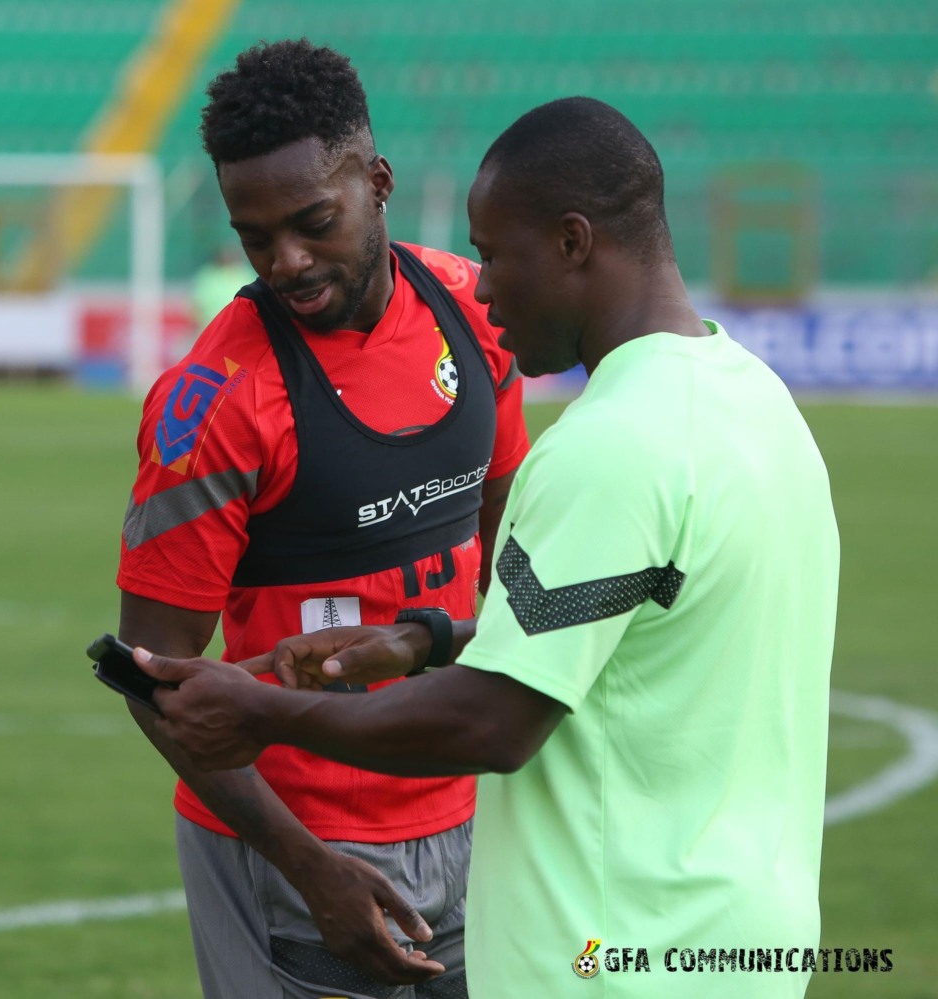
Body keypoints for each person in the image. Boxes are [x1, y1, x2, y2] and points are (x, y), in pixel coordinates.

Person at [132, 96, 841, 999]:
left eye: (498, 255)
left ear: (573, 242)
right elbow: (597, 626)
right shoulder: (758, 398)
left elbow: (495, 722)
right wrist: (427, 640)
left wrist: (265, 710)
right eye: (256, 236)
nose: (486, 283)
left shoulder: (595, 438)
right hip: (741, 934)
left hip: (610, 940)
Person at [116, 39, 529, 999]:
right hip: (293, 856)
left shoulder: (477, 315)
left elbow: (510, 560)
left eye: (313, 222)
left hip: (483, 814)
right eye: (256, 237)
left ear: (377, 182)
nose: (286, 262)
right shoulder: (212, 405)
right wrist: (308, 867)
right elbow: (152, 676)